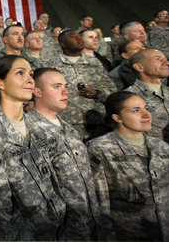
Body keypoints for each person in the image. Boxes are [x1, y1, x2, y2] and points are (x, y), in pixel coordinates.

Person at [0, 55, 67, 240]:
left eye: (31, 74)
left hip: (57, 232)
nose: (30, 79)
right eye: (20, 73)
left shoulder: (43, 128)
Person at [29, 68, 110, 240]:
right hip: (59, 231)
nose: (65, 91)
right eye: (56, 86)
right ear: (37, 91)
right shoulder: (29, 132)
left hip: (88, 225)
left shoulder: (68, 129)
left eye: (65, 86)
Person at [87, 91, 169, 241]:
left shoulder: (162, 147)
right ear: (117, 117)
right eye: (136, 110)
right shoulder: (98, 149)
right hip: (128, 235)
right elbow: (99, 201)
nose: (146, 115)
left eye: (146, 108)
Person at [45, 29, 116, 140]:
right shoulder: (51, 65)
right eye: (73, 36)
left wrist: (97, 93)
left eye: (79, 36)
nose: (79, 38)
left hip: (97, 123)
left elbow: (112, 90)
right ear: (62, 43)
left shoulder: (94, 62)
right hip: (67, 124)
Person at [125, 49, 169, 142]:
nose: (167, 63)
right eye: (158, 59)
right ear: (139, 67)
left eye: (166, 59)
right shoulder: (128, 98)